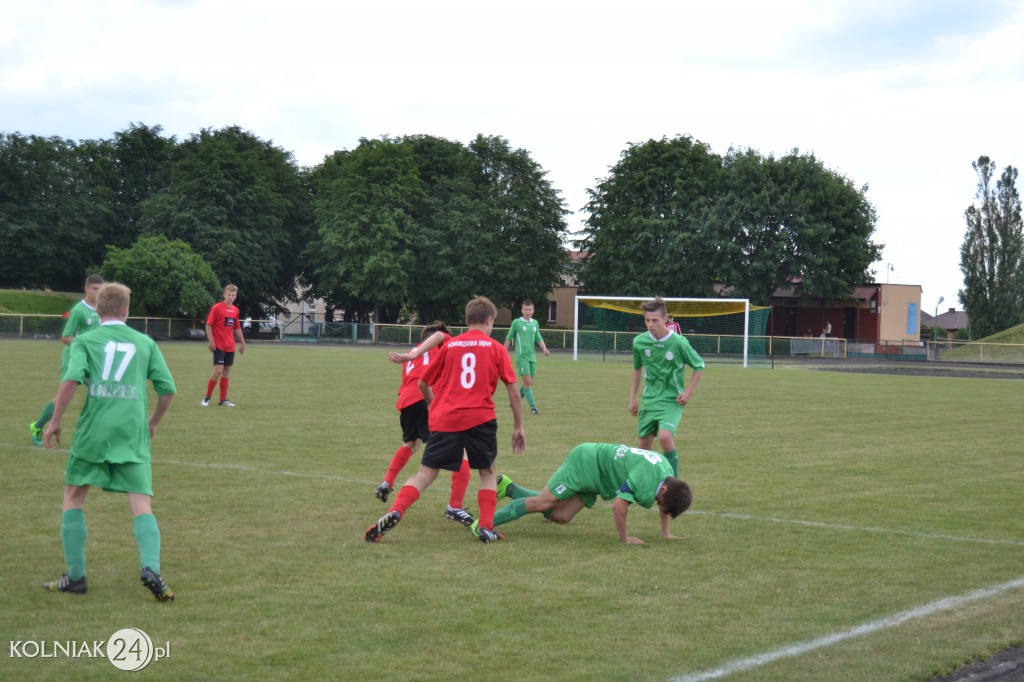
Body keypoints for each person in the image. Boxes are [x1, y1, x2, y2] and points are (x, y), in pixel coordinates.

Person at [41, 282, 176, 601]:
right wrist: (152, 423)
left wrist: (56, 420)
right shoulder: (145, 343)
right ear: (126, 310)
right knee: (141, 502)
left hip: (93, 431)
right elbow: (167, 389)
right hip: (131, 432)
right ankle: (151, 568)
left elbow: (71, 380)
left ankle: (75, 578)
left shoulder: (86, 341)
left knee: (73, 496)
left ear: (97, 310)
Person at [365, 295, 525, 544]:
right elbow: (514, 390)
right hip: (480, 418)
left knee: (425, 473)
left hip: (445, 419)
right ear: (490, 320)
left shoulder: (451, 346)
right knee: (487, 471)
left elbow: (423, 382)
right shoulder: (495, 348)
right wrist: (518, 427)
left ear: (467, 319)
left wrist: (434, 405)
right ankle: (485, 526)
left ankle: (395, 510)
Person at [479, 444, 692, 543]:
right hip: (586, 463)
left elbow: (667, 505)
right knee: (543, 503)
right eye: (660, 502)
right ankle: (482, 524)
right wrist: (625, 538)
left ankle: (509, 488)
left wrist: (666, 533)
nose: (658, 505)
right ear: (663, 489)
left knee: (561, 516)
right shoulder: (643, 478)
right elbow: (619, 507)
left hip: (599, 480)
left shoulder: (666, 474)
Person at [376, 322, 476, 527]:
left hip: (406, 402)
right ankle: (455, 505)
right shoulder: (441, 342)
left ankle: (387, 482)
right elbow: (440, 336)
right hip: (425, 399)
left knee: (412, 444)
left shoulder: (414, 351)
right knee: (461, 450)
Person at [628, 297, 705, 478]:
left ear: (665, 319)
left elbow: (699, 366)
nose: (650, 324)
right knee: (643, 446)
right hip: (650, 399)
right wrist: (632, 398)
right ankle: (647, 482)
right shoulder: (639, 342)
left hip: (672, 399)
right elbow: (636, 369)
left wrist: (688, 393)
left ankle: (673, 482)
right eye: (647, 320)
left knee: (664, 438)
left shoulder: (678, 342)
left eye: (655, 320)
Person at [28, 275, 104, 446]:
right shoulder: (79, 310)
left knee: (101, 392)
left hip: (92, 359)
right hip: (74, 357)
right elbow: (65, 337)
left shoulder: (102, 309)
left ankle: (96, 434)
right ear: (86, 289)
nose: (98, 292)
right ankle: (38, 426)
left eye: (101, 289)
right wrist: (84, 348)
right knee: (63, 397)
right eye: (94, 289)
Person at [202, 284, 245, 407]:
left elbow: (237, 327)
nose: (231, 297)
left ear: (235, 296)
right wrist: (211, 340)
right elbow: (209, 325)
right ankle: (207, 398)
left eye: (233, 295)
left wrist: (243, 343)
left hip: (230, 345)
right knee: (218, 370)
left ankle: (223, 400)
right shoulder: (217, 308)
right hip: (218, 344)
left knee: (226, 372)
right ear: (224, 294)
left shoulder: (235, 310)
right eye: (229, 294)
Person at [503, 299, 549, 415]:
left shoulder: (535, 323)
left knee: (528, 383)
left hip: (532, 358)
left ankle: (513, 401)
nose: (528, 312)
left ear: (533, 311)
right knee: (528, 382)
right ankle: (533, 408)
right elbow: (509, 338)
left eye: (530, 309)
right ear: (522, 310)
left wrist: (544, 349)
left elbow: (538, 338)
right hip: (521, 357)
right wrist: (503, 353)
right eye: (525, 309)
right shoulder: (517, 323)